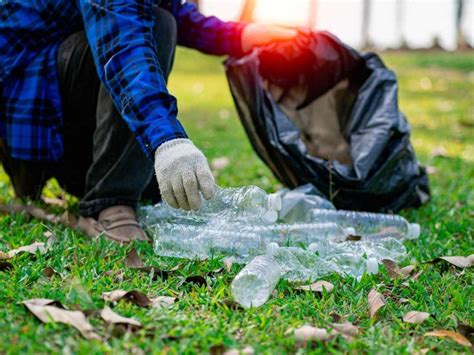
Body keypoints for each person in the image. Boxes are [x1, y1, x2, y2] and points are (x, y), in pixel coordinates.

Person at [0, 1, 297, 242]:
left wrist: (244, 36)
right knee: (157, 24)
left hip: (46, 119)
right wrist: (167, 141)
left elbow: (180, 15)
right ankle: (110, 201)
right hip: (29, 115)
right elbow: (123, 46)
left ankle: (111, 185)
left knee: (164, 194)